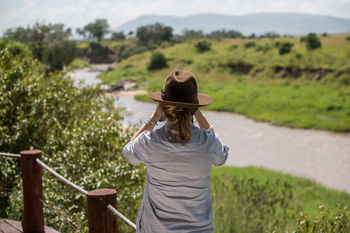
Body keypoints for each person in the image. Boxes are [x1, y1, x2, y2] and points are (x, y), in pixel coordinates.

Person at [123, 70, 229, 233]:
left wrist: (154, 117)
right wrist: (198, 113)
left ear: (164, 106)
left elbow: (129, 154)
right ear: (194, 107)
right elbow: (221, 156)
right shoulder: (208, 142)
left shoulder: (151, 141)